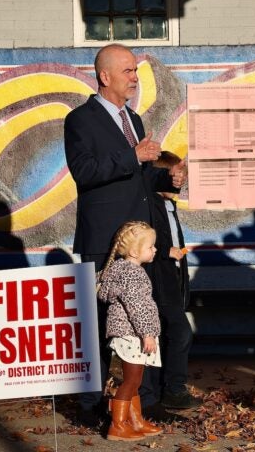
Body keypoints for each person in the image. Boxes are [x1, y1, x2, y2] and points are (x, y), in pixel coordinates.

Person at [64, 43, 186, 426]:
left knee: (140, 318)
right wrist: (133, 156)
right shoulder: (80, 120)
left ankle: (141, 400)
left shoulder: (132, 119)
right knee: (100, 324)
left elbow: (139, 176)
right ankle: (89, 406)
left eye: (135, 71)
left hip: (136, 246)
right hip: (103, 241)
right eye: (129, 71)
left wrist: (167, 177)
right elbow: (85, 171)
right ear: (105, 77)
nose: (135, 78)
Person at [139, 151, 202, 411]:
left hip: (172, 278)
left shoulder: (169, 205)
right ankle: (172, 389)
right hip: (159, 280)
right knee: (180, 332)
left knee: (168, 335)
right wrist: (166, 251)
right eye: (174, 176)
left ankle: (159, 392)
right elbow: (144, 238)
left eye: (181, 177)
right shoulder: (150, 204)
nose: (179, 182)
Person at [97, 221, 163, 441]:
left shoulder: (120, 270)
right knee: (131, 382)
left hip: (127, 333)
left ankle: (134, 421)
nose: (155, 250)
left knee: (135, 380)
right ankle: (118, 425)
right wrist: (148, 333)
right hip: (133, 333)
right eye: (150, 247)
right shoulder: (132, 274)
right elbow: (138, 307)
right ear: (135, 252)